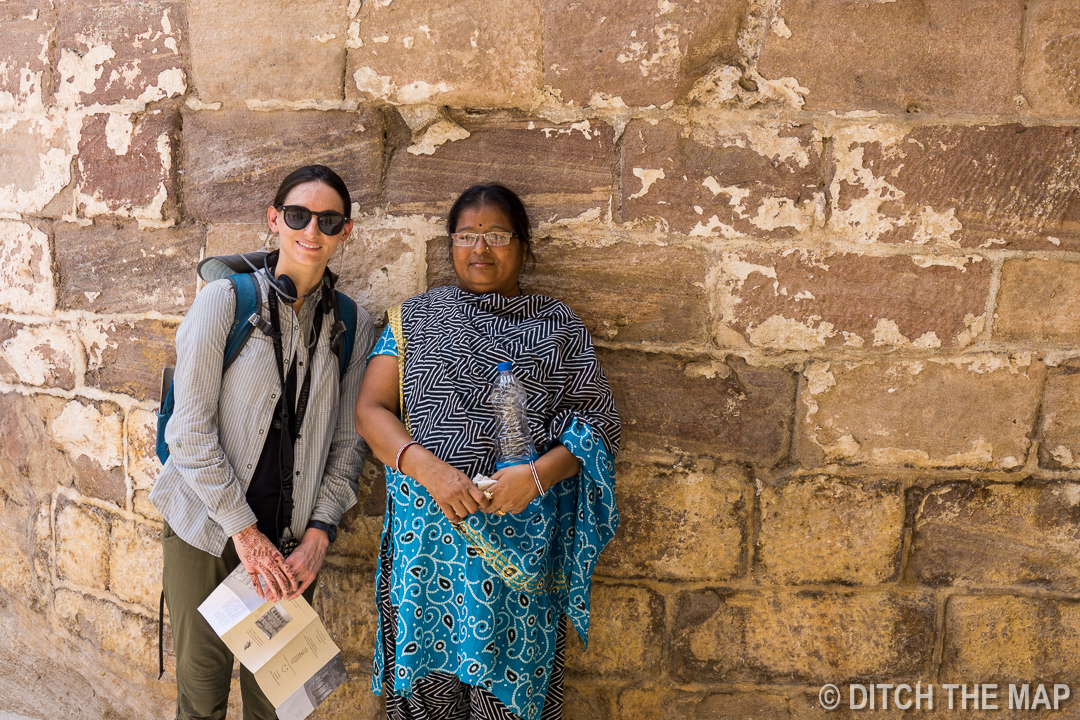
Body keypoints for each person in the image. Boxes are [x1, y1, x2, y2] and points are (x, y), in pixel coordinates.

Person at [355, 184, 621, 720]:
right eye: (466, 236)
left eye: (497, 235)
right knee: (425, 701)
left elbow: (599, 423)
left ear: (523, 246)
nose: (481, 248)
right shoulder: (414, 318)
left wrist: (537, 478)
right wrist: (432, 472)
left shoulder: (557, 326)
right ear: (450, 245)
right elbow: (371, 411)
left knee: (508, 701)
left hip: (519, 560)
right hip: (426, 558)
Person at [151, 164, 375, 720]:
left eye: (329, 220)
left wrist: (319, 535)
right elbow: (188, 431)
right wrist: (246, 537)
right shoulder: (223, 301)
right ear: (274, 219)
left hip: (292, 543)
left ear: (346, 231)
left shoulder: (352, 324)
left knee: (278, 703)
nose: (311, 231)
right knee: (200, 694)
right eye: (298, 216)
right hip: (207, 529)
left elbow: (348, 446)